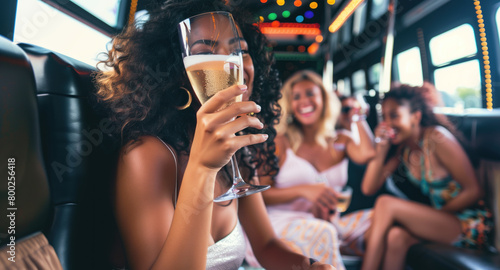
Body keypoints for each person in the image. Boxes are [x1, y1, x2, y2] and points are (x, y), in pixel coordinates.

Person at [95, 1, 334, 269]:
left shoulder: (239, 151)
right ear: (177, 73)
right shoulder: (147, 154)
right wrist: (203, 167)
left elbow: (266, 246)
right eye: (206, 51)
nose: (230, 63)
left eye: (240, 50)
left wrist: (310, 265)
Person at [245, 70, 375, 268]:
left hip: (328, 220)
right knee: (323, 231)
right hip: (281, 223)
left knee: (381, 220)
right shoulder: (280, 143)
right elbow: (260, 193)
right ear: (290, 105)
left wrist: (357, 116)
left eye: (310, 93)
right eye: (296, 97)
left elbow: (367, 153)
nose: (304, 101)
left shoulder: (340, 140)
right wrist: (304, 191)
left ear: (324, 98)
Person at [361, 84, 493, 270]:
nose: (387, 123)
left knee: (385, 203)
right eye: (384, 117)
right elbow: (368, 188)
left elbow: (474, 190)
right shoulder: (405, 150)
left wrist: (434, 216)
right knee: (395, 237)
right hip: (445, 220)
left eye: (394, 115)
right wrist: (381, 150)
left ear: (416, 116)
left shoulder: (438, 138)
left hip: (471, 225)